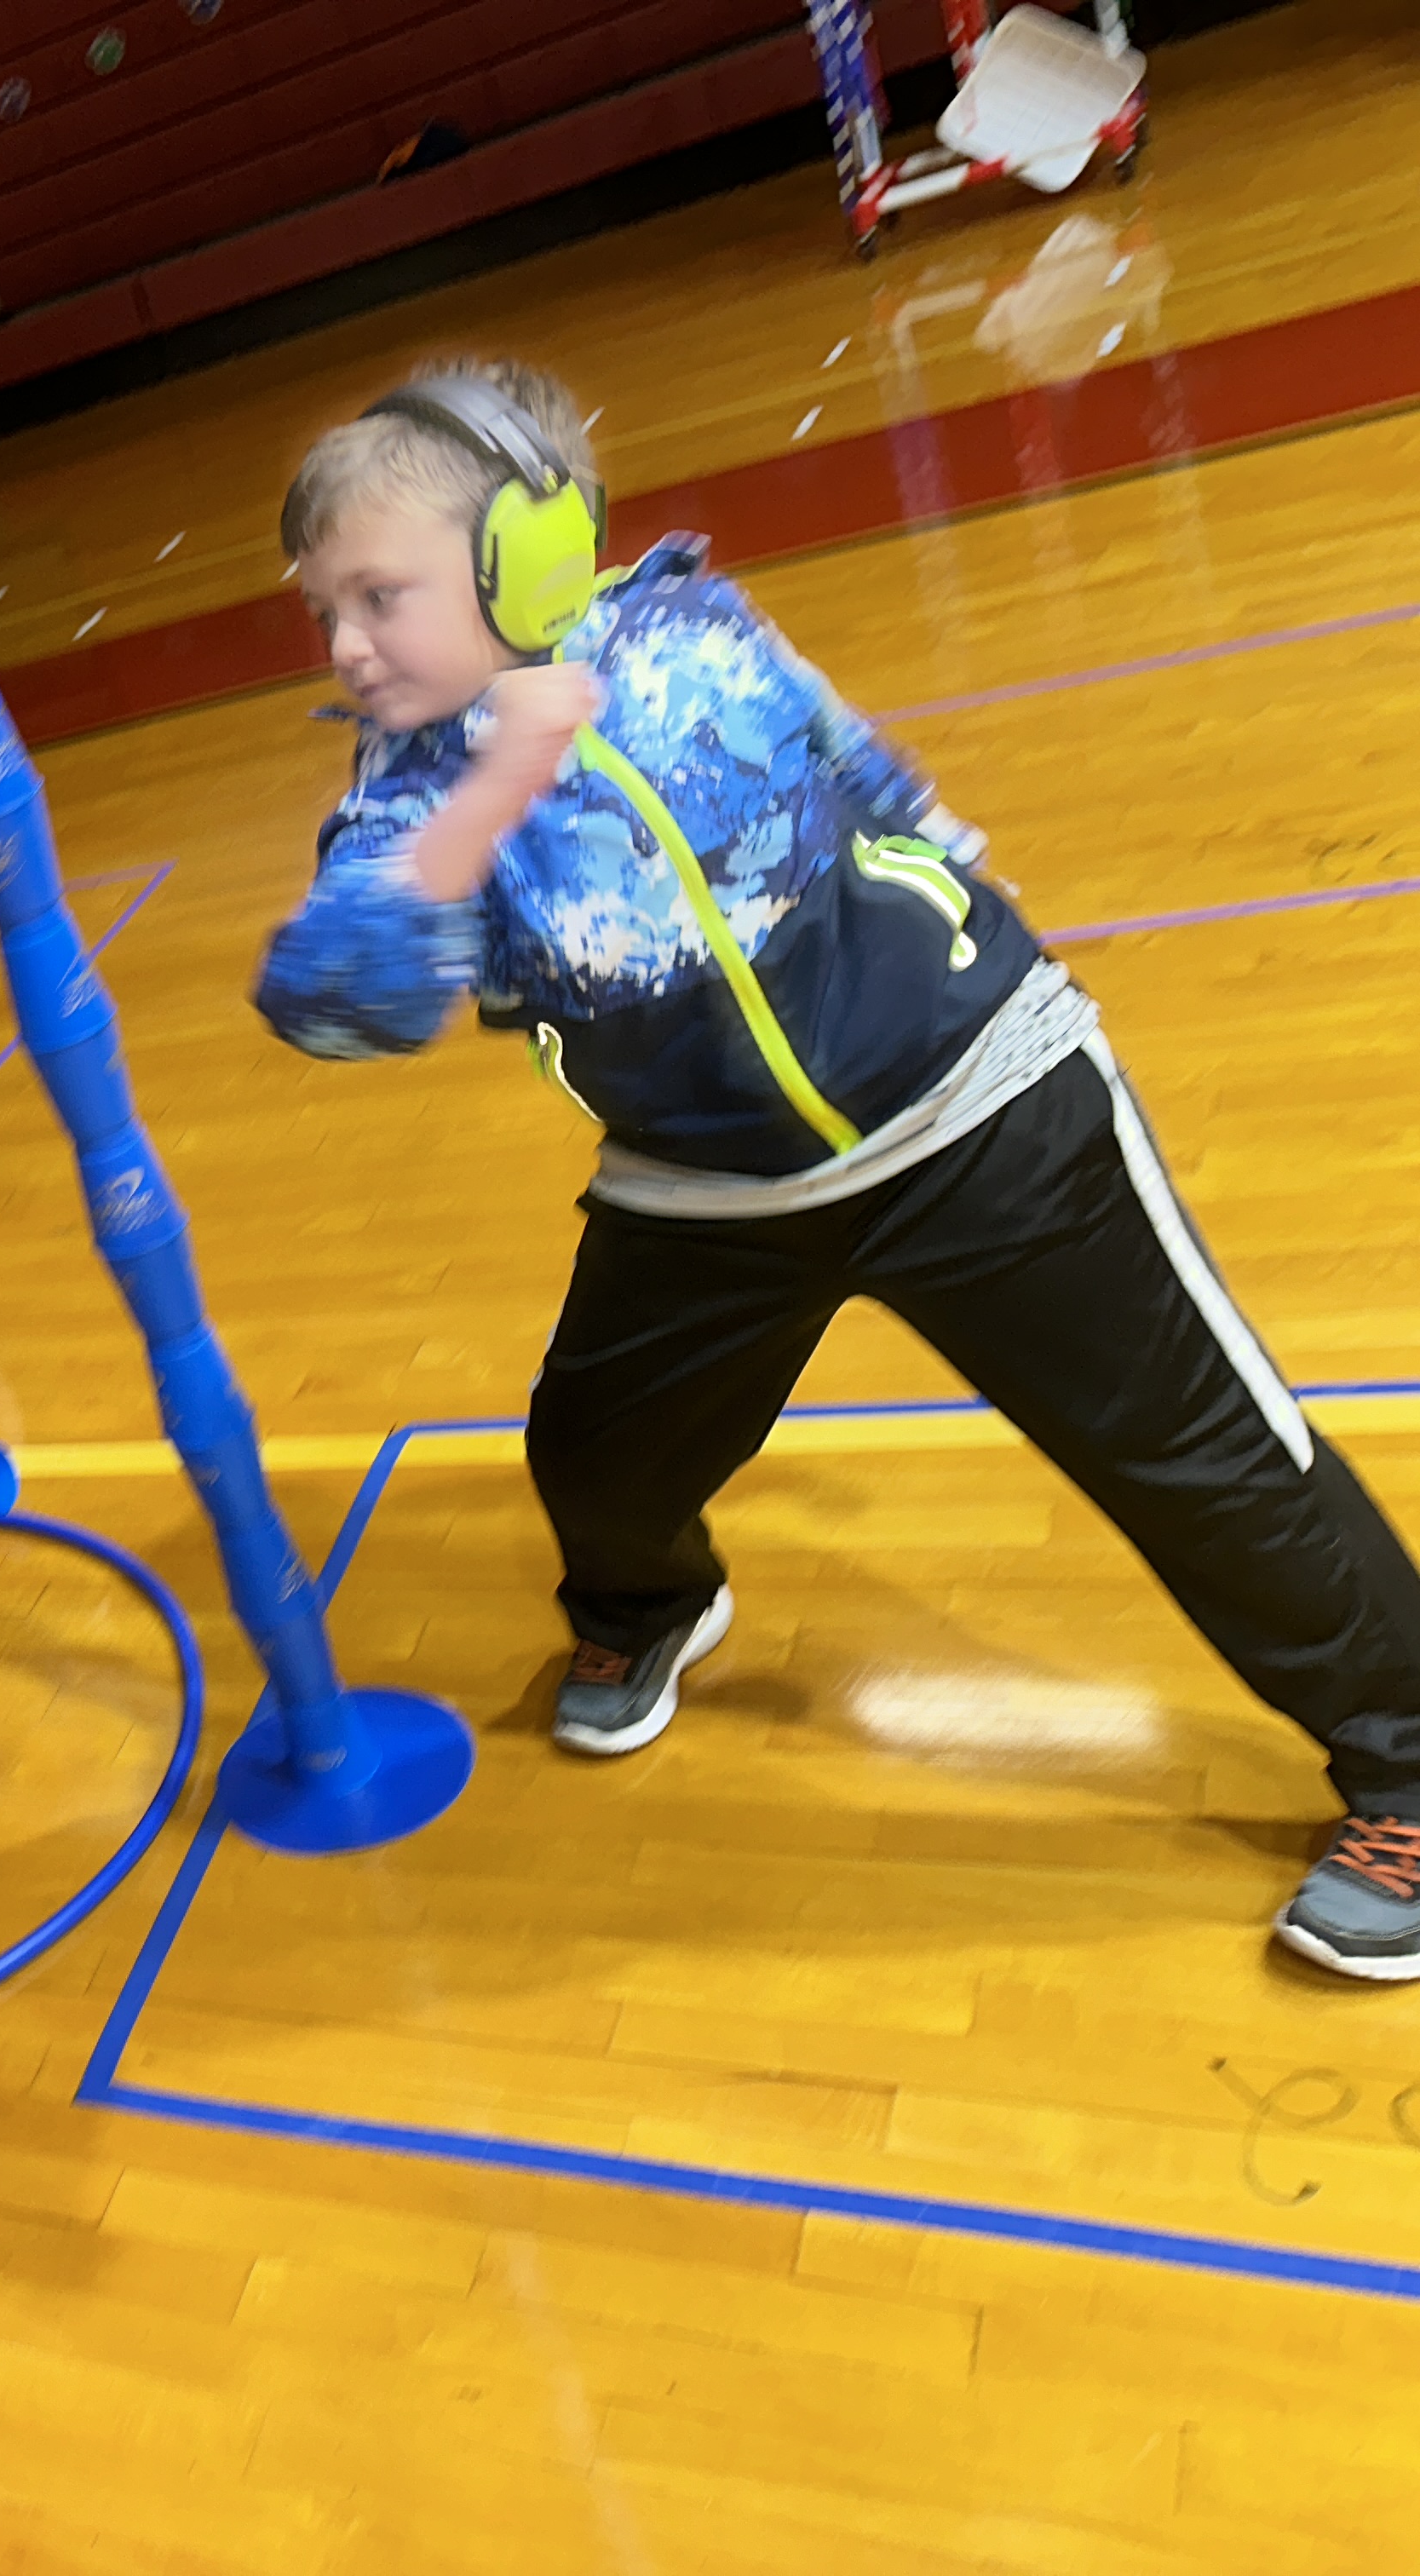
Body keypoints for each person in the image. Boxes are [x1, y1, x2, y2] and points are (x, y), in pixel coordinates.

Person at [252, 359, 1420, 1980]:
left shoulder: (686, 629)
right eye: (324, 610)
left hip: (980, 1118)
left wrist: (940, 840)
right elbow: (337, 1004)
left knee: (1203, 1457)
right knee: (593, 1457)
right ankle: (650, 1608)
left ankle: (1406, 1762)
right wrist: (499, 780)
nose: (344, 645)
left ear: (527, 558)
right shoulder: (403, 794)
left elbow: (839, 741)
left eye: (379, 598)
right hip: (703, 1187)